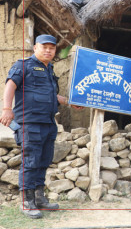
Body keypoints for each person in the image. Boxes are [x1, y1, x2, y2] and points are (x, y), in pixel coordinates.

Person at [0, 35, 81, 219]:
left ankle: (39, 198)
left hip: (48, 123)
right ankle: (26, 202)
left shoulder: (49, 69)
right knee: (30, 161)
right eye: (44, 47)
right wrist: (6, 108)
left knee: (44, 160)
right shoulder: (23, 65)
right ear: (35, 47)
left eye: (51, 48)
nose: (48, 50)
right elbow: (10, 86)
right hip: (29, 123)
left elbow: (52, 95)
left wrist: (68, 102)